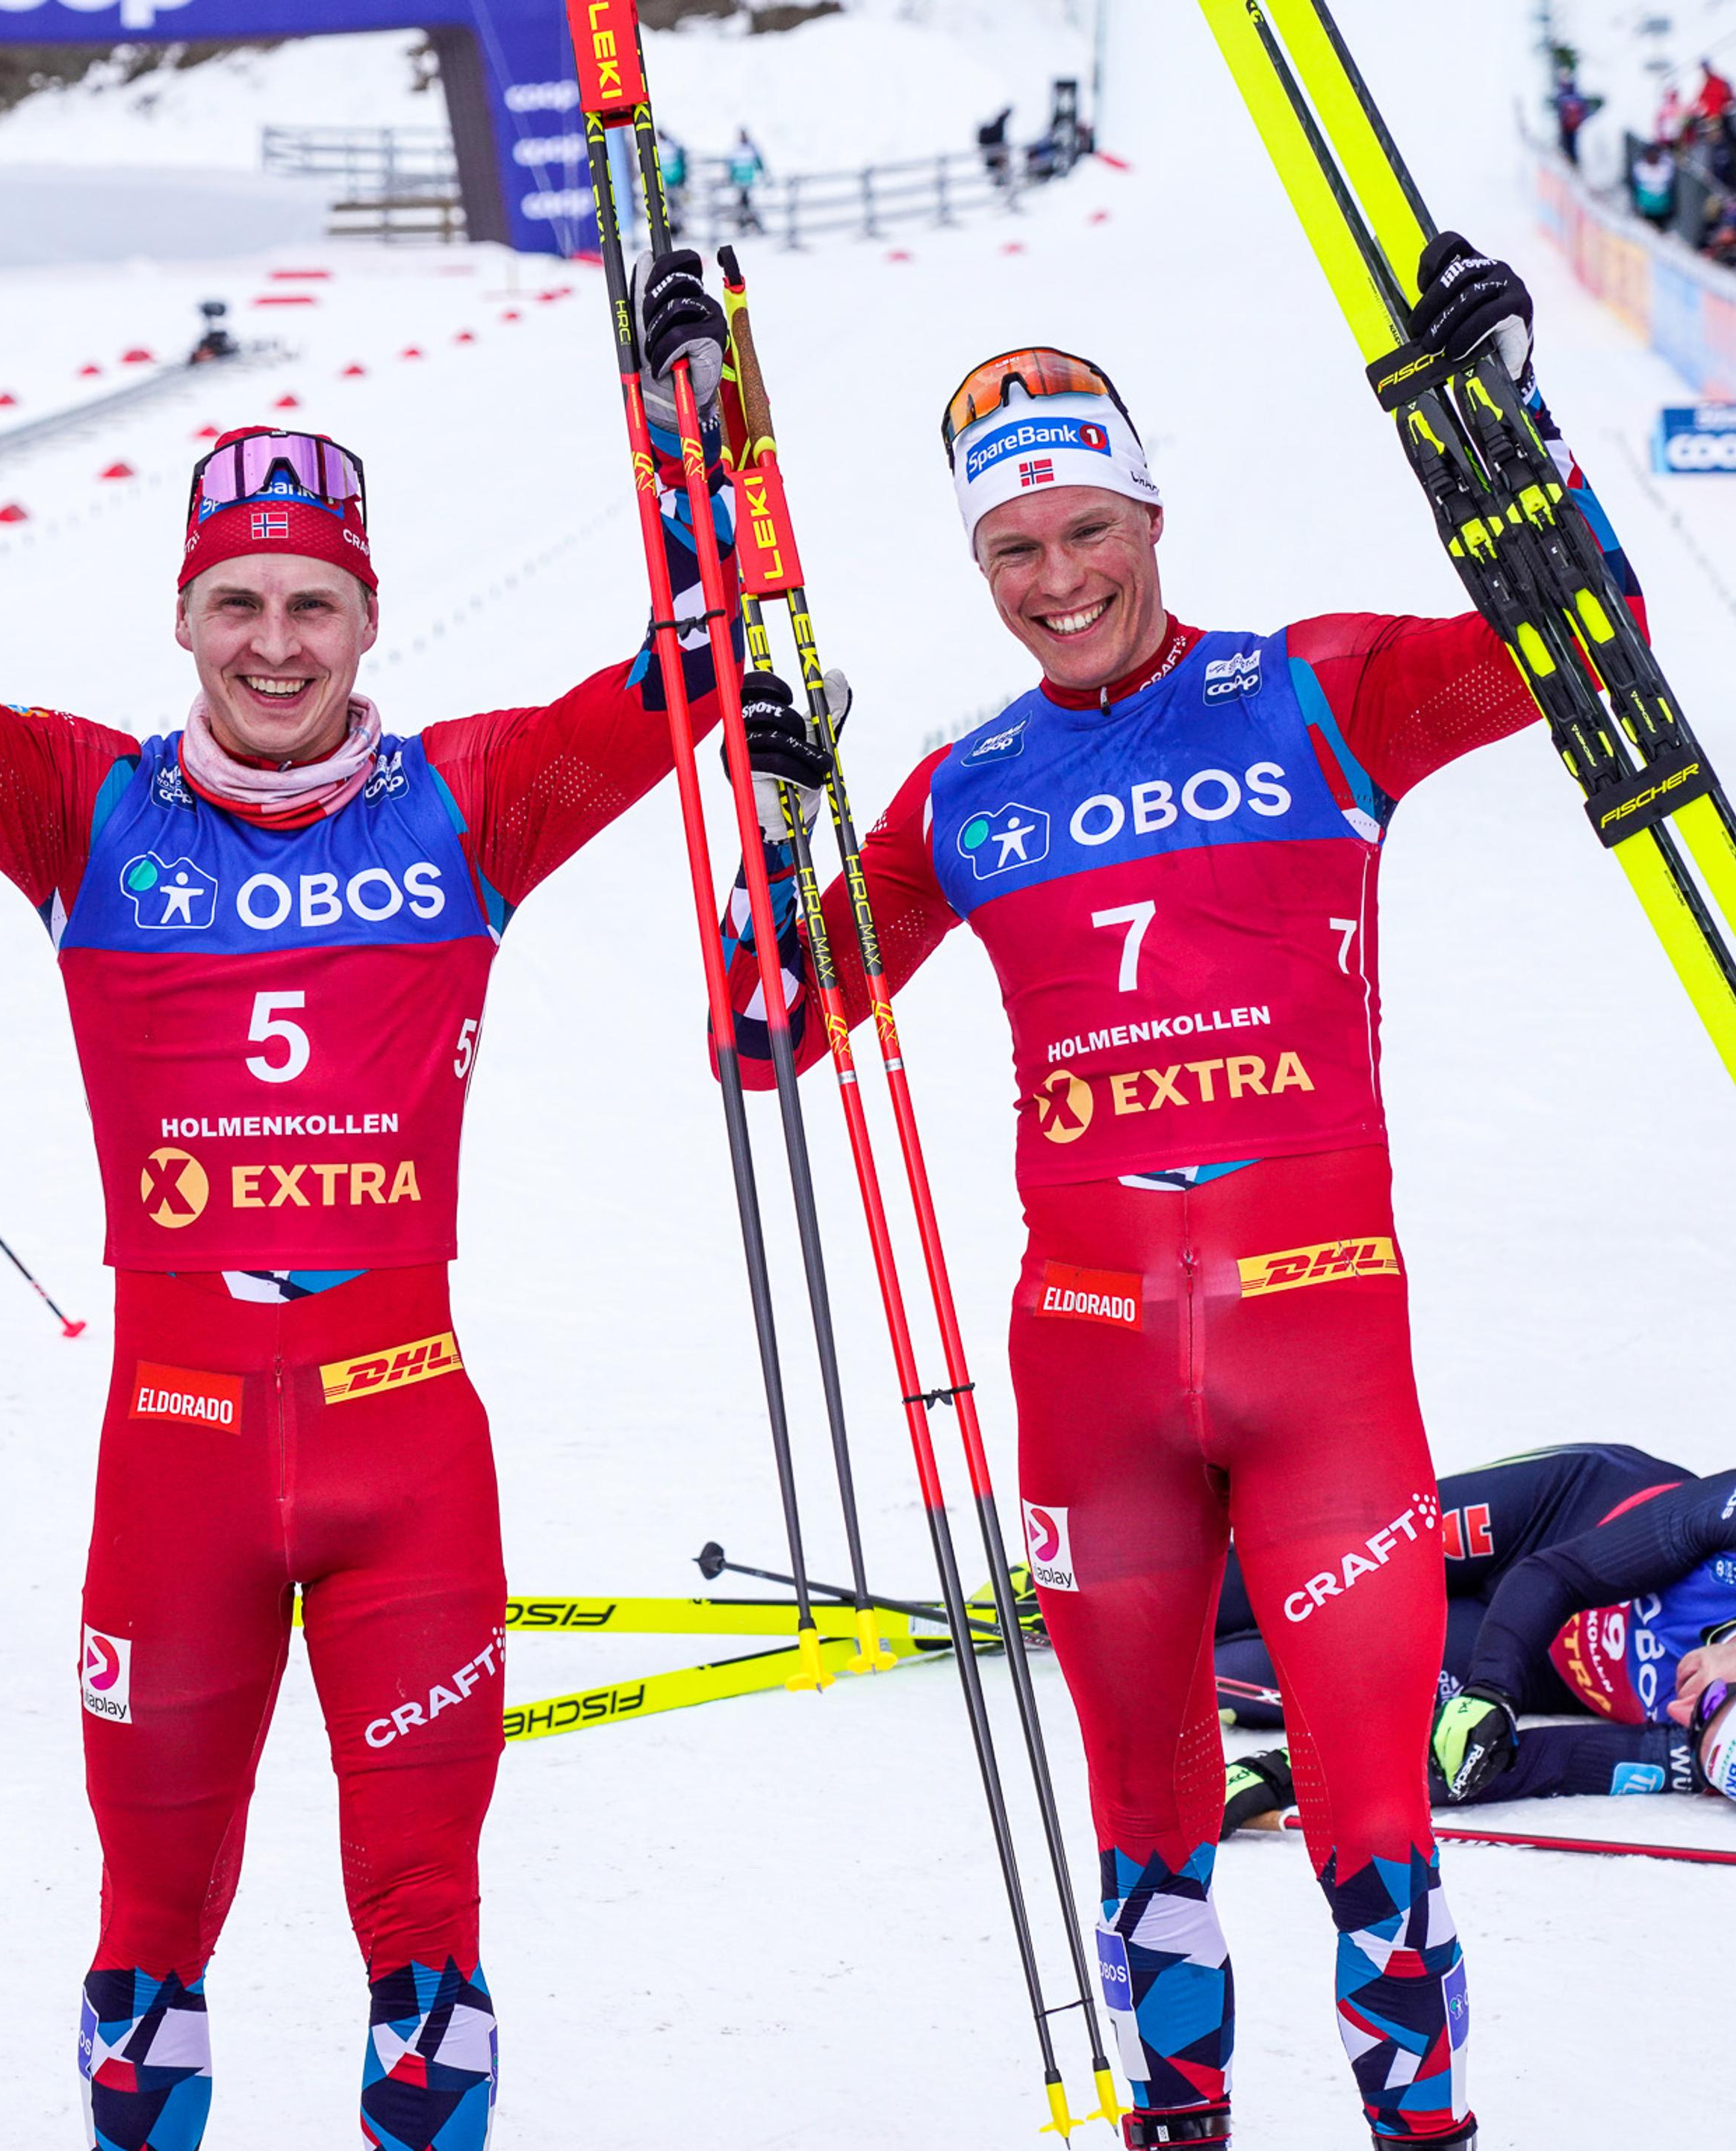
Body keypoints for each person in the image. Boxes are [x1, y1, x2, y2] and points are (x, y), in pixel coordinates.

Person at [0, 255, 733, 2151]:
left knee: (430, 1951)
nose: (276, 644)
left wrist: (692, 436)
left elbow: (692, 669)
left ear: (369, 618)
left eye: (314, 603)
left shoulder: (468, 803)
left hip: (408, 1451)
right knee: (144, 1949)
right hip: (178, 1458)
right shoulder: (90, 810)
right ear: (181, 617)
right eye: (237, 601)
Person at [745, 238, 1631, 2150]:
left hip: (1323, 1357)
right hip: (1088, 1374)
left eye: (1086, 528)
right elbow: (768, 1028)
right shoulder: (961, 790)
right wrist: (771, 817)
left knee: (1371, 1816)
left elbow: (1577, 641)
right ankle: (1180, 2120)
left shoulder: (1319, 691)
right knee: (1146, 1819)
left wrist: (1515, 428)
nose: (1056, 578)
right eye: (1012, 550)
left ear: (1151, 514)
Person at [1207, 1444, 1723, 1817]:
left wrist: (1286, 1776)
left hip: (1538, 1663)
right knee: (1267, 1587)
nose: (1682, 1714)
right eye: (1717, 1700)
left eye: (1695, 1728)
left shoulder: (1717, 1754)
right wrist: (1491, 1691)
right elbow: (1555, 1576)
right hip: (1553, 1516)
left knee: (1235, 1675)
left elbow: (1501, 1765)